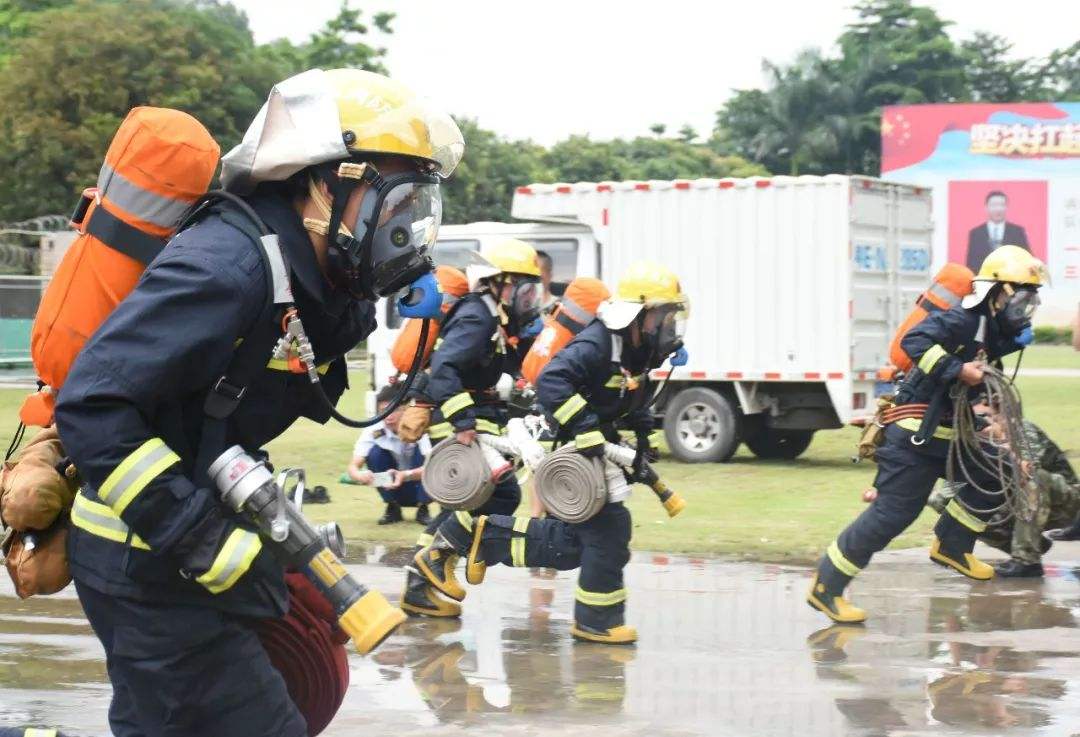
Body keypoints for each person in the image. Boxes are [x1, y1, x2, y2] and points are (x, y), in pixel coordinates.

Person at [54, 68, 463, 736]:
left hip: (189, 537)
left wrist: (365, 294)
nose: (404, 228)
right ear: (320, 183)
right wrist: (203, 538)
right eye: (393, 204)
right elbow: (94, 403)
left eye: (415, 208)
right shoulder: (226, 264)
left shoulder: (303, 272)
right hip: (142, 555)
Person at [411, 261, 687, 644]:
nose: (669, 327)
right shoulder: (598, 342)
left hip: (590, 453)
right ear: (641, 314)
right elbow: (552, 381)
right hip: (572, 452)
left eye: (673, 317)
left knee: (574, 543)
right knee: (602, 532)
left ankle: (477, 541)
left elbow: (629, 395)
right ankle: (594, 620)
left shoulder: (636, 349)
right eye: (664, 316)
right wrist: (587, 428)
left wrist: (642, 438)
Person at [808, 245, 1047, 624]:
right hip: (915, 437)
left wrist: (1004, 347)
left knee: (999, 473)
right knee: (892, 515)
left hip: (950, 435)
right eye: (1021, 297)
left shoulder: (985, 330)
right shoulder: (964, 319)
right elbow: (913, 342)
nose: (1025, 307)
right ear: (997, 292)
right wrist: (956, 369)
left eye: (1031, 300)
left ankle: (951, 545)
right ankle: (827, 586)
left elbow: (979, 379)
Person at [398, 238, 542, 618]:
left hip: (472, 417)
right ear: (498, 283)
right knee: (502, 492)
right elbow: (444, 369)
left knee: (465, 500)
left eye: (531, 291)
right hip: (462, 420)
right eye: (523, 290)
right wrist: (463, 421)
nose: (528, 299)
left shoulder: (492, 317)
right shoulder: (478, 315)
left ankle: (421, 585)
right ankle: (439, 557)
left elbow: (503, 366)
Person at [349, 384, 433, 525]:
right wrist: (360, 475)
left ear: (405, 409)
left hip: (419, 482)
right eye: (383, 411)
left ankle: (423, 508)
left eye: (392, 410)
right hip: (392, 485)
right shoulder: (374, 429)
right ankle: (392, 507)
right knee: (375, 453)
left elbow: (433, 467)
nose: (387, 416)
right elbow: (353, 466)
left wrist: (406, 475)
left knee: (426, 457)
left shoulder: (418, 424)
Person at [965, 191, 1030, 272]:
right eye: (994, 205)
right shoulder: (975, 233)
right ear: (986, 207)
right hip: (984, 281)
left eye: (1001, 205)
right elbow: (970, 265)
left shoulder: (1017, 232)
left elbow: (1027, 260)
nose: (998, 209)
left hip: (1011, 281)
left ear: (1006, 207)